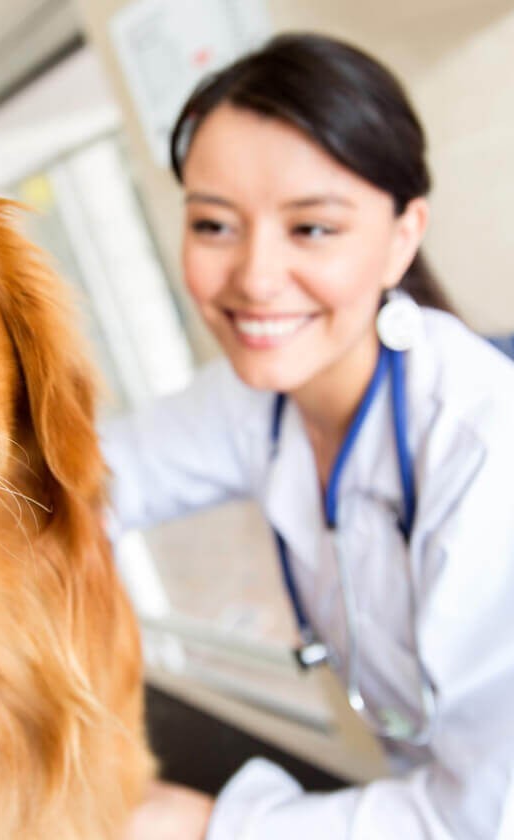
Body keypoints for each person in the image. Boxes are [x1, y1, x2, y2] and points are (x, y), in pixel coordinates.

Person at [104, 33, 514, 839]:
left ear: (402, 236)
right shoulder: (254, 399)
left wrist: (199, 824)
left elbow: (485, 817)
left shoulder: (485, 456)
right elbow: (89, 477)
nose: (254, 278)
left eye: (313, 229)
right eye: (215, 224)